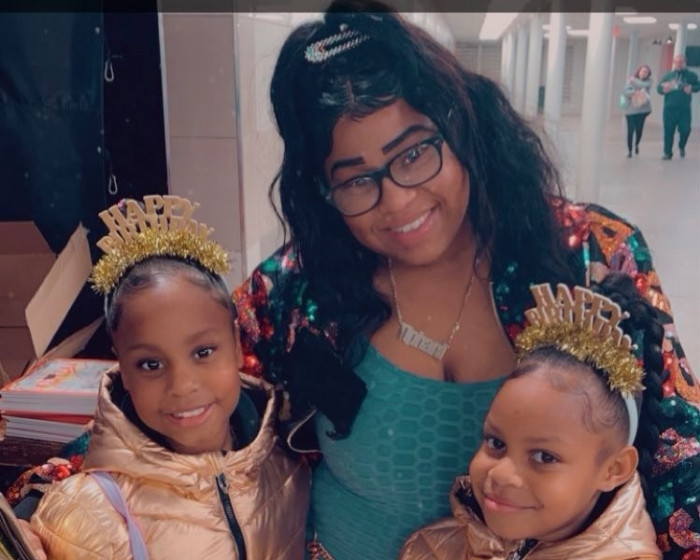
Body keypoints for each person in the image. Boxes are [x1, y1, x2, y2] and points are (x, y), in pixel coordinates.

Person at [230, 3, 699, 559]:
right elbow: (189, 408)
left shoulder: (590, 255)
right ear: (323, 193)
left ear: (461, 127)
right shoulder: (297, 289)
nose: (398, 200)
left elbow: (678, 466)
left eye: (414, 153)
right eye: (356, 181)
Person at [26, 196, 310, 559]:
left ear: (238, 345)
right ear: (122, 370)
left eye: (203, 352)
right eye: (150, 364)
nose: (182, 385)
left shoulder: (289, 459)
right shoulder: (90, 515)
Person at [399, 275, 663, 559]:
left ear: (614, 469)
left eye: (544, 457)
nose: (500, 474)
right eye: (496, 443)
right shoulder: (436, 547)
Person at [657, 53, 700, 160]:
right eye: (677, 62)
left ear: (685, 63)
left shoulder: (692, 75)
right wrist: (663, 90)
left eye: (681, 62)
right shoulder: (668, 75)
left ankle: (681, 146)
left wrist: (692, 88)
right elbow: (659, 88)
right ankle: (667, 153)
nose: (679, 64)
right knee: (668, 131)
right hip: (669, 108)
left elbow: (698, 85)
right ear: (674, 63)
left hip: (684, 109)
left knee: (686, 130)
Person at [622, 64, 653, 158]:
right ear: (638, 71)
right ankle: (629, 150)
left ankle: (637, 144)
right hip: (630, 110)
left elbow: (642, 85)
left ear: (648, 74)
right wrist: (634, 92)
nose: (644, 73)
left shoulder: (649, 81)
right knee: (630, 130)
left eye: (646, 72)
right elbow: (626, 91)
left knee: (639, 129)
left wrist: (633, 80)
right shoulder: (630, 81)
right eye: (642, 71)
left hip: (642, 110)